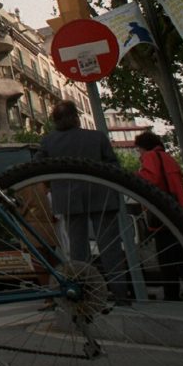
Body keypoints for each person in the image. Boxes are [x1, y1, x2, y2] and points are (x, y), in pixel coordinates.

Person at [36, 100, 129, 303]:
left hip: (69, 200)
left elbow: (37, 169)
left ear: (55, 121)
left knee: (78, 250)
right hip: (102, 196)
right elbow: (113, 166)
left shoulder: (49, 142)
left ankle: (86, 292)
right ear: (76, 118)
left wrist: (54, 185)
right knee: (110, 247)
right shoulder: (96, 137)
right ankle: (121, 294)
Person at [134, 131, 183, 300]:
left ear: (143, 147)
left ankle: (172, 295)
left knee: (166, 259)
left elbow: (150, 179)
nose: (138, 153)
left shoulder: (150, 157)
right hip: (181, 211)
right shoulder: (168, 158)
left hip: (164, 215)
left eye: (138, 149)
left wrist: (131, 177)